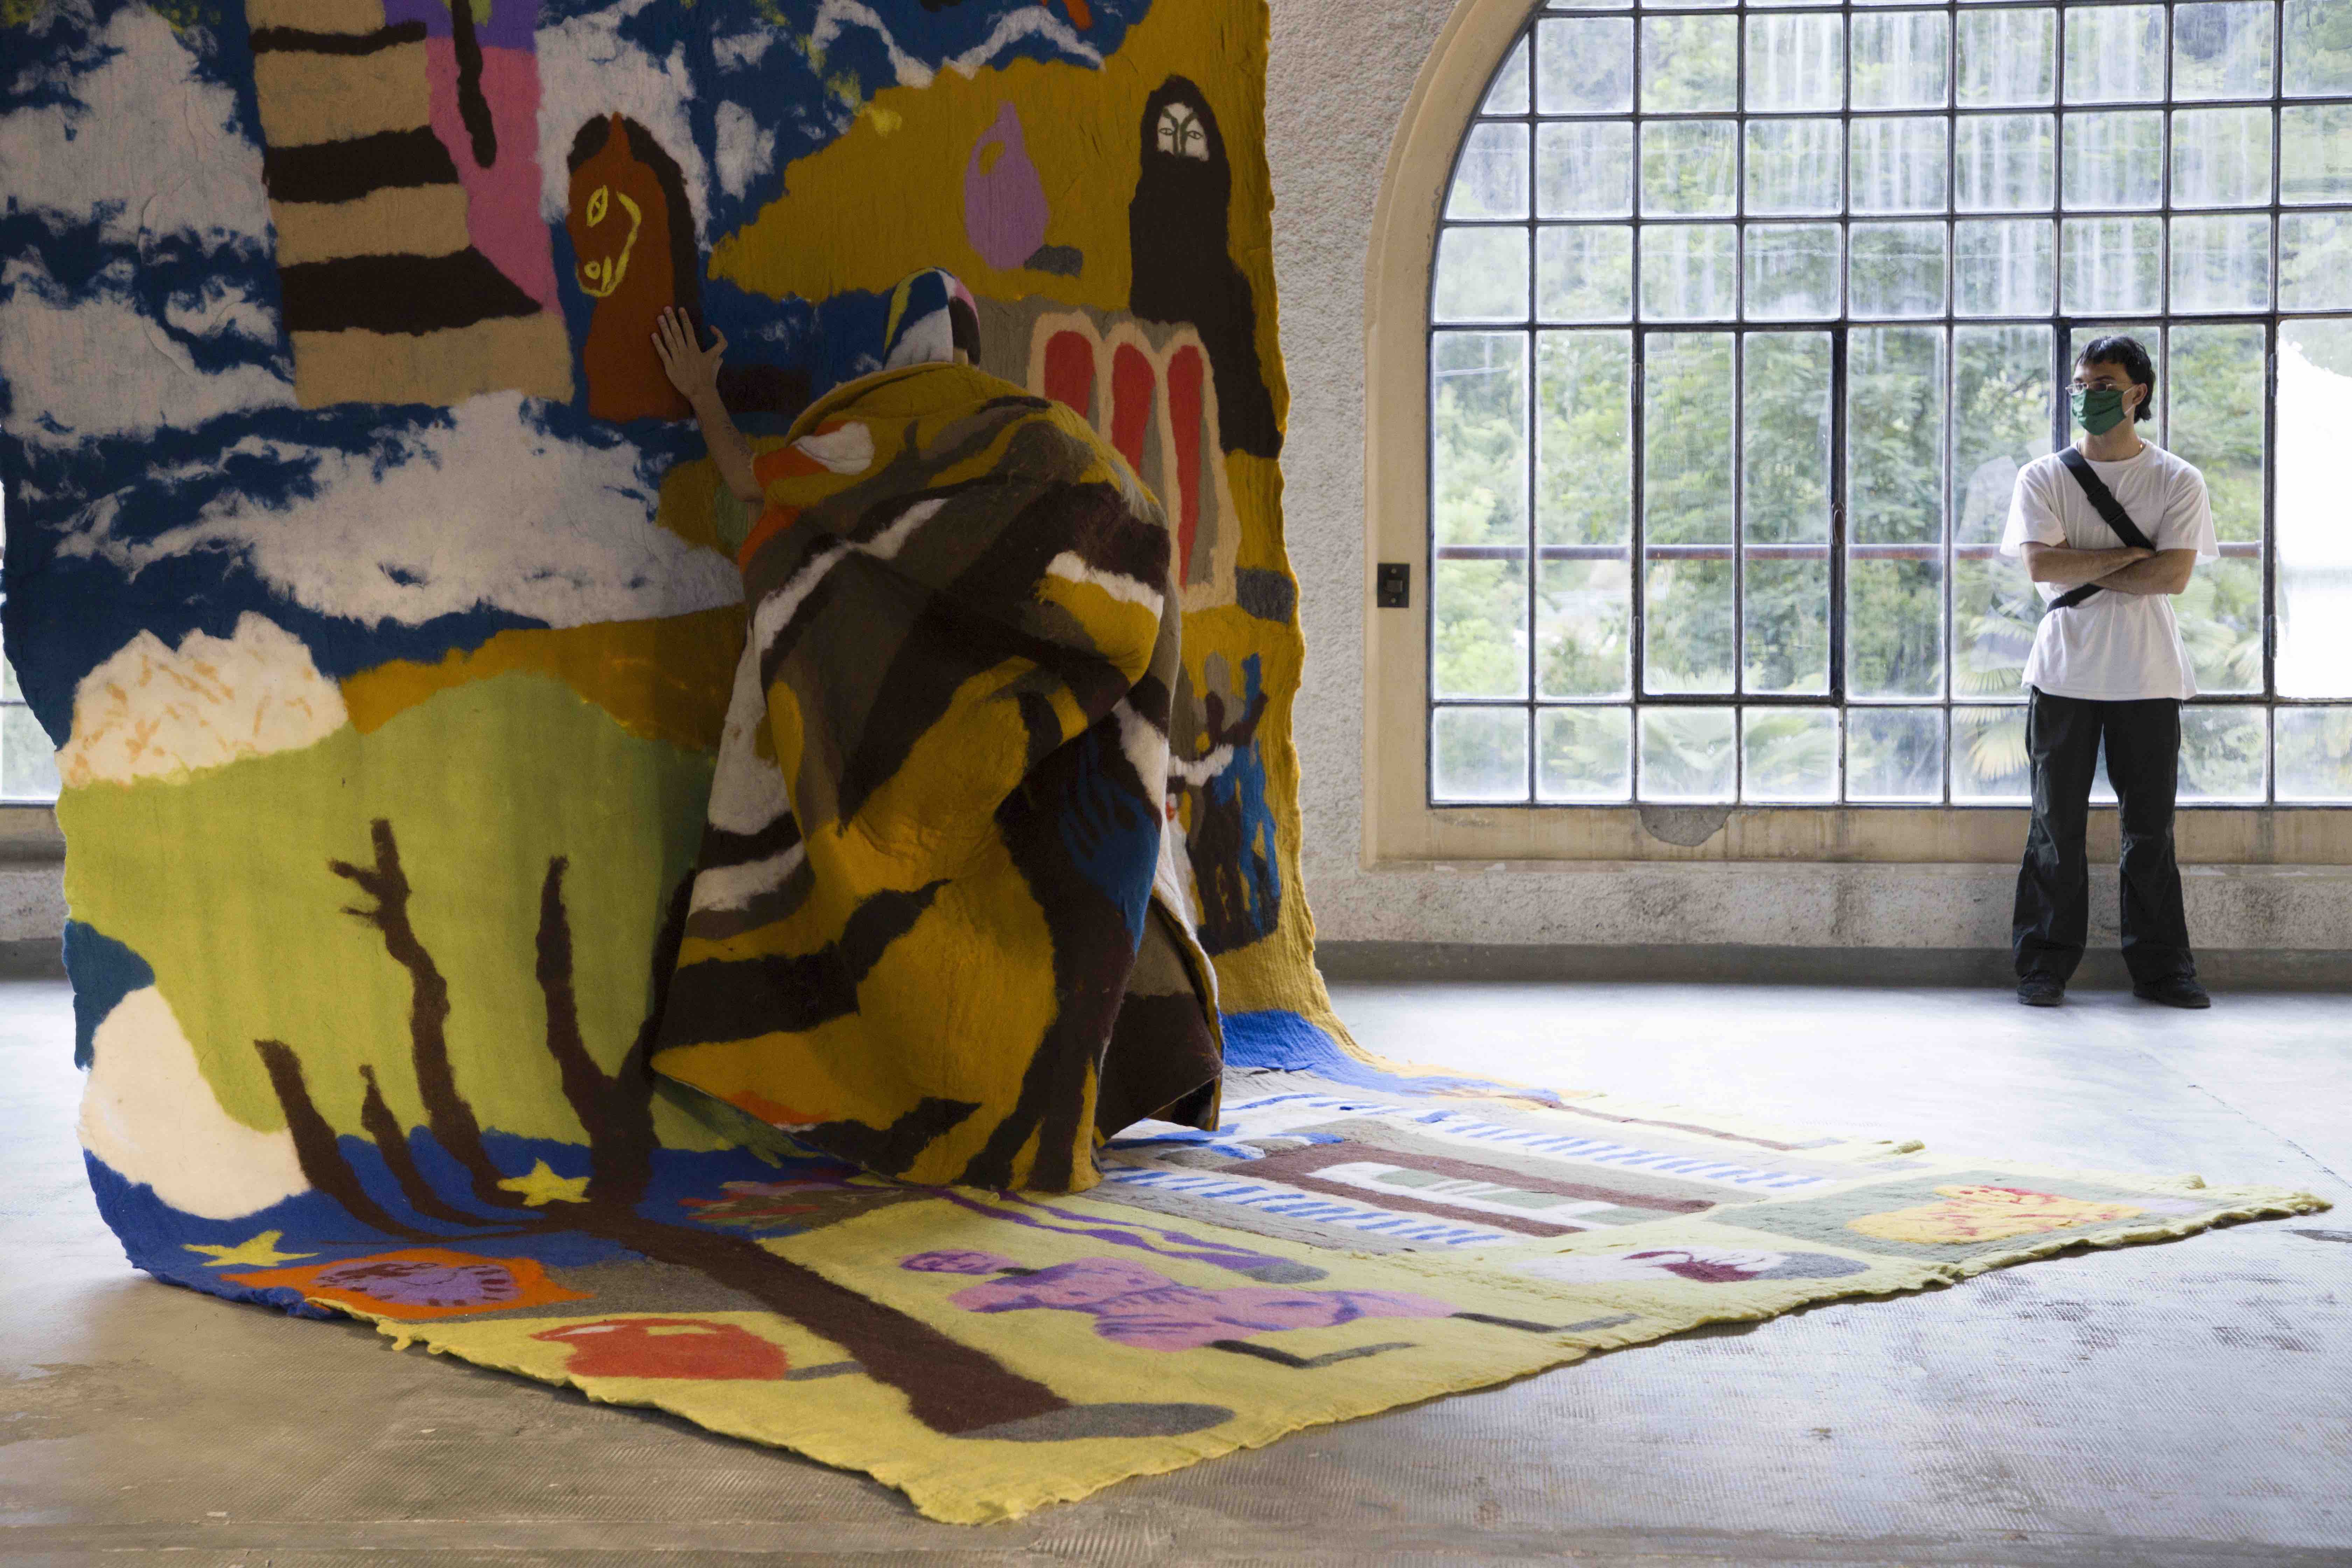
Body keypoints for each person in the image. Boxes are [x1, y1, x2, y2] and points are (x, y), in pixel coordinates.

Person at [638, 273, 1222, 1194]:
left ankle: (956, 1102)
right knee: (1070, 888)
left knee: (943, 910)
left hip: (953, 745)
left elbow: (756, 484)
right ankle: (1075, 1097)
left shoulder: (891, 433)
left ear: (893, 354)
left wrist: (702, 392)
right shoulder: (1041, 435)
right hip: (1072, 701)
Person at [1999, 335, 2218, 1010]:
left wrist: (2088, 561)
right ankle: (2043, 966)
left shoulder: (2178, 479)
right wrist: (2132, 557)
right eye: (2082, 384)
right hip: (2063, 673)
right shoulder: (2043, 477)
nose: (2088, 396)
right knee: (2054, 827)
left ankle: (2163, 971)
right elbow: (2042, 564)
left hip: (2148, 675)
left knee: (2150, 831)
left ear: (2137, 394)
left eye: (2104, 385)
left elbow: (2173, 577)